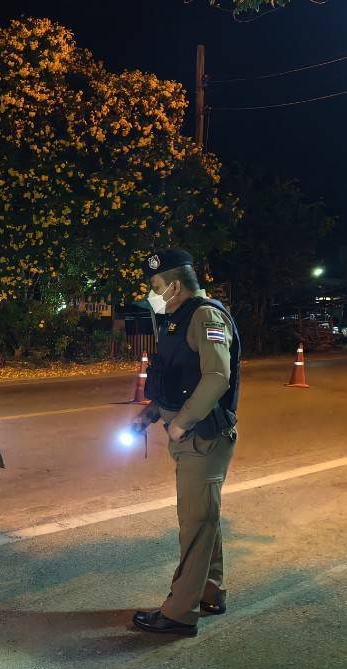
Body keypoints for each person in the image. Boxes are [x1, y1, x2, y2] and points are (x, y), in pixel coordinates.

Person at [129, 249, 242, 635]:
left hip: (204, 437)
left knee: (194, 524)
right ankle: (210, 592)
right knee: (203, 518)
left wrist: (181, 423)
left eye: (155, 286)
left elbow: (217, 377)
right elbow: (179, 378)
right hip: (193, 437)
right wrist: (151, 414)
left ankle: (178, 613)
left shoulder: (205, 317)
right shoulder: (179, 319)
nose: (151, 294)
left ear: (174, 285)